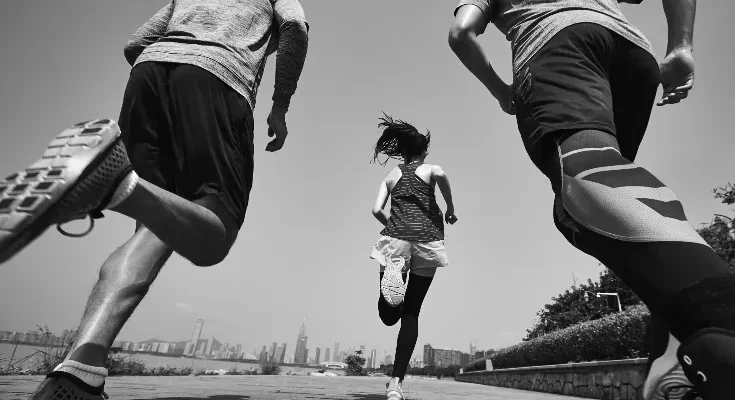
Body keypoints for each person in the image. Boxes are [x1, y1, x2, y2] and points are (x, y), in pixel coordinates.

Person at [447, 0, 735, 399]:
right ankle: (670, 353)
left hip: (557, 46)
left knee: (586, 186)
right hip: (633, 57)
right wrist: (682, 47)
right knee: (602, 197)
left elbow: (461, 34)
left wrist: (501, 92)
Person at [0, 1, 309, 399]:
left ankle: (77, 375)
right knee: (214, 236)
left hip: (147, 76)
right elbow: (295, 28)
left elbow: (136, 44)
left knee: (156, 227)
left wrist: (173, 55)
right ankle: (116, 186)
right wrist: (279, 107)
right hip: (216, 79)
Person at [369, 114, 457, 400]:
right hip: (428, 242)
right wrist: (450, 208)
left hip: (396, 241)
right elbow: (441, 175)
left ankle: (389, 296)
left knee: (388, 315)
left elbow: (375, 209)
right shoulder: (430, 169)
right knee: (412, 312)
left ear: (403, 151)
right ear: (424, 151)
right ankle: (396, 383)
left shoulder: (393, 174)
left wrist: (390, 223)